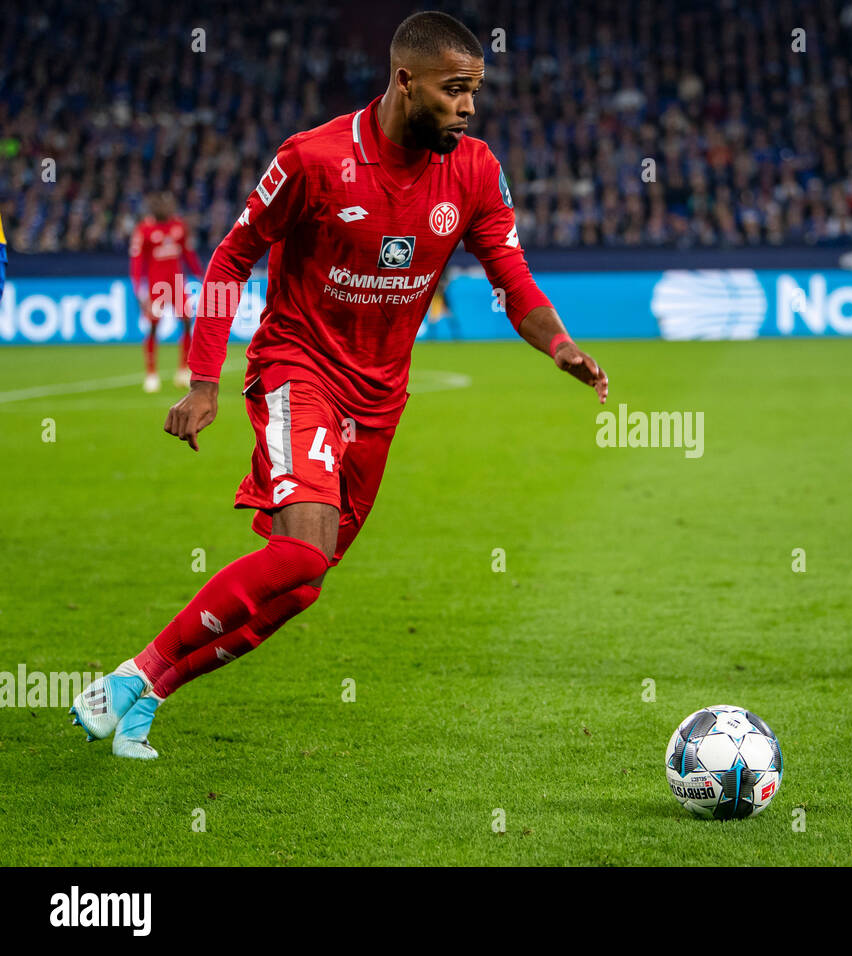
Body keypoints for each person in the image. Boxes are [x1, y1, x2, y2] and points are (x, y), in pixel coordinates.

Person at [72, 11, 608, 758]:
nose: (469, 107)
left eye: (474, 92)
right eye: (455, 91)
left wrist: (559, 345)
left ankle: (146, 697)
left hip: (380, 400)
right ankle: (132, 676)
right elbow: (230, 259)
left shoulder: (477, 170)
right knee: (299, 553)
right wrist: (203, 382)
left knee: (303, 584)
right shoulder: (314, 158)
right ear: (404, 81)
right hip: (299, 367)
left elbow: (512, 279)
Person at [129, 190, 204, 390]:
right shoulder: (144, 230)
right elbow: (137, 262)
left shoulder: (179, 226)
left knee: (187, 322)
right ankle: (151, 373)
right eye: (164, 205)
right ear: (155, 208)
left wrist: (201, 276)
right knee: (154, 327)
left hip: (177, 283)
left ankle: (183, 370)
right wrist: (138, 289)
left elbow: (188, 254)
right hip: (156, 287)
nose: (168, 209)